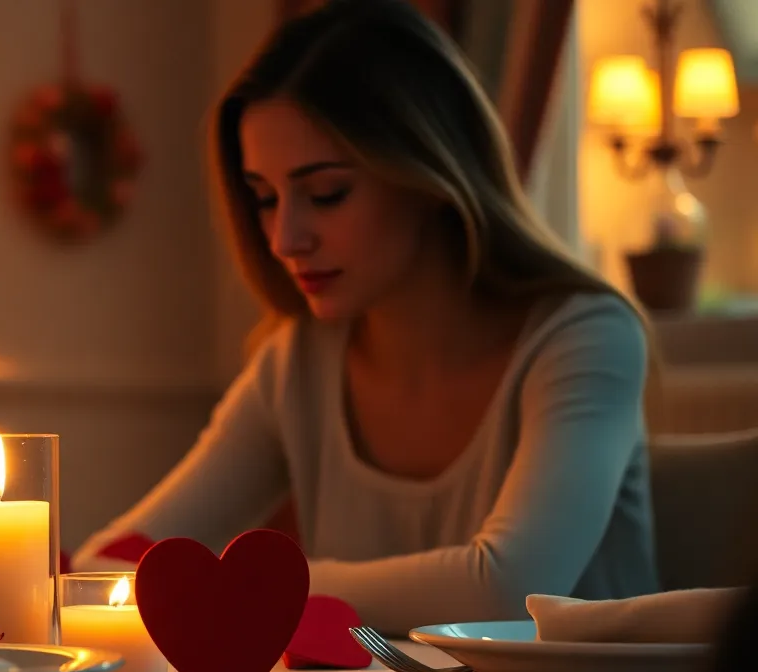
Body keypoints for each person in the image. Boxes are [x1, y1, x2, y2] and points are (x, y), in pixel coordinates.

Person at [74, 0, 657, 635]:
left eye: (326, 193)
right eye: (264, 198)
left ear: (430, 175)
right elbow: (111, 565)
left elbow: (509, 587)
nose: (283, 238)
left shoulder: (585, 338)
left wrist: (241, 585)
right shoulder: (297, 362)